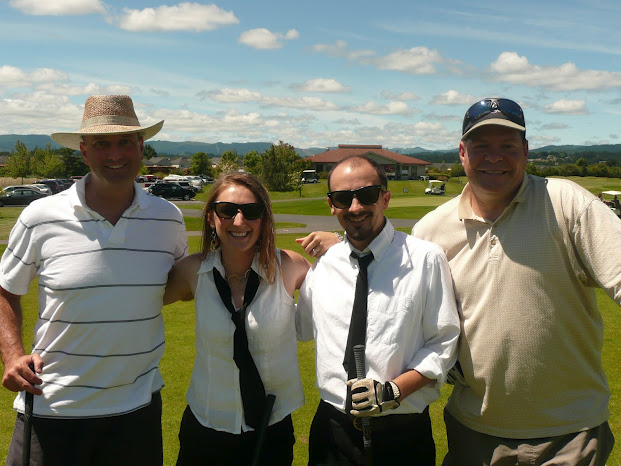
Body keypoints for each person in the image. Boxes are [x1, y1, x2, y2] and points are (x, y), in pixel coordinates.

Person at [412, 97, 620, 464]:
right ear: (462, 152)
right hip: (474, 431)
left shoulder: (567, 202)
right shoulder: (430, 231)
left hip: (570, 432)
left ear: (525, 151)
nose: (494, 158)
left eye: (507, 146)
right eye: (481, 146)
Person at [0, 95, 188, 465]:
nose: (114, 154)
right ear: (84, 152)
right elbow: (5, 289)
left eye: (125, 142)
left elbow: (180, 283)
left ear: (141, 147)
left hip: (136, 410)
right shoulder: (40, 216)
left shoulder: (168, 219)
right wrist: (11, 355)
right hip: (53, 406)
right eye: (102, 144)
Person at [164, 172, 338, 465]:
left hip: (271, 428)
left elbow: (344, 294)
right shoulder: (193, 271)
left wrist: (339, 245)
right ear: (211, 218)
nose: (239, 221)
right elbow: (141, 301)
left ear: (264, 219)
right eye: (227, 210)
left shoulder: (289, 266)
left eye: (252, 211)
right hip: (206, 425)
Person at [296, 155, 460, 465]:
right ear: (332, 205)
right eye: (343, 198)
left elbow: (444, 342)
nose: (355, 207)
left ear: (385, 198)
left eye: (367, 195)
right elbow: (299, 328)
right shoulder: (323, 268)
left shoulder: (425, 259)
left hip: (402, 433)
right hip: (332, 431)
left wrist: (393, 391)